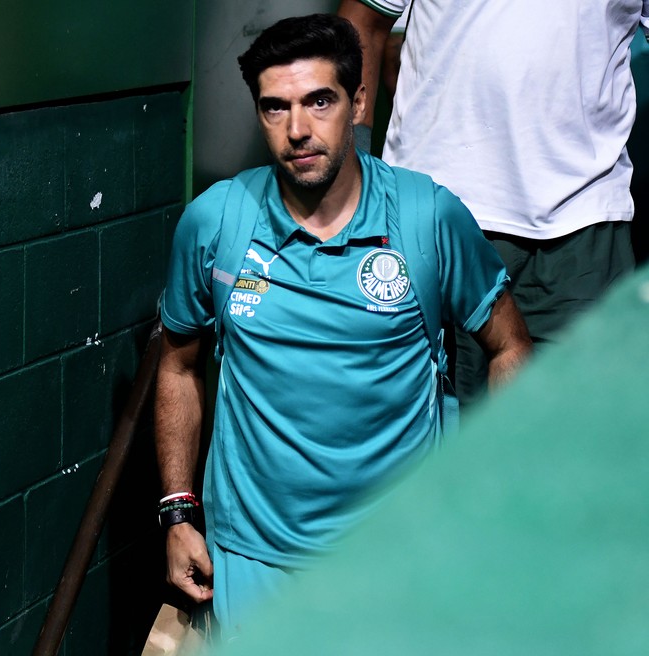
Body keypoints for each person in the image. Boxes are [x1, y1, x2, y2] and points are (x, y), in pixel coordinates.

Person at [154, 13, 532, 641]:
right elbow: (178, 366)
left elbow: (509, 345)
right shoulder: (216, 222)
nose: (297, 129)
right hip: (254, 562)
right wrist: (176, 514)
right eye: (275, 109)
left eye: (318, 101)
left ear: (359, 102)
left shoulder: (426, 216)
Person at [338, 0, 649, 404]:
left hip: (587, 223)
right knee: (436, 442)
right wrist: (350, 178)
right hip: (437, 215)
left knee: (583, 433)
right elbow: (364, 20)